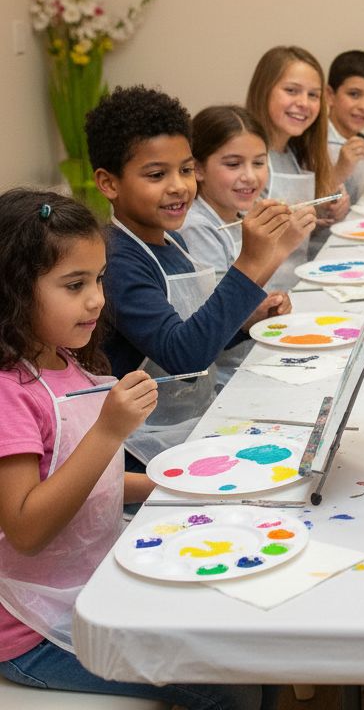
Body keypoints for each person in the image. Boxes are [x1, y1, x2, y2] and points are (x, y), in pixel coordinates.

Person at [0, 190, 276, 710]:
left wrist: (171, 488)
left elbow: (85, 483)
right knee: (231, 689)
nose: (97, 299)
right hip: (33, 630)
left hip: (93, 584)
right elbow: (26, 528)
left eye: (99, 279)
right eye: (75, 285)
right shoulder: (9, 395)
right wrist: (108, 432)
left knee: (252, 641)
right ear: (13, 291)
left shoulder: (66, 362)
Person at [86, 86, 295, 464]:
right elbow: (184, 357)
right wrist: (250, 262)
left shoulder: (171, 241)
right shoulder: (115, 262)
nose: (179, 186)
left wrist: (246, 322)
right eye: (156, 174)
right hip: (145, 448)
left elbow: (195, 332)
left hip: (192, 422)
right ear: (109, 183)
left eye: (185, 170)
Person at [179, 105, 316, 387]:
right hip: (223, 377)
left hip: (252, 354)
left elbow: (244, 311)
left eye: (259, 163)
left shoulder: (242, 212)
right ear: (198, 168)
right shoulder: (196, 226)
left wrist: (264, 309)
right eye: (233, 164)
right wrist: (282, 246)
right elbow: (219, 314)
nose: (250, 176)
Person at [246, 46, 350, 290]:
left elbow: (299, 238)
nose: (303, 103)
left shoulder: (296, 154)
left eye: (313, 95)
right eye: (291, 90)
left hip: (295, 286)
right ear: (264, 90)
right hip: (258, 295)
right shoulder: (245, 161)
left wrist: (323, 212)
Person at [326, 49, 364, 204]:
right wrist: (339, 171)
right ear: (330, 95)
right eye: (354, 94)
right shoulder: (311, 144)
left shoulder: (360, 141)